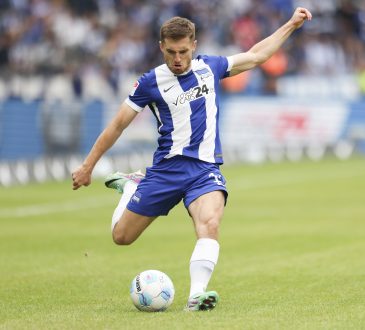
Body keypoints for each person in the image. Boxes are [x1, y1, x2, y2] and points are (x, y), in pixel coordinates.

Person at [72, 7, 312, 311]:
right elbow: (117, 125)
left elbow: (256, 55)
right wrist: (88, 165)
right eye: (170, 51)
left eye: (183, 51)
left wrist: (291, 24)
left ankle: (196, 295)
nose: (177, 58)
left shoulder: (210, 67)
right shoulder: (150, 82)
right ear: (161, 47)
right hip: (166, 171)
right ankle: (133, 187)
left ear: (194, 45)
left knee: (210, 223)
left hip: (204, 170)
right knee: (121, 236)